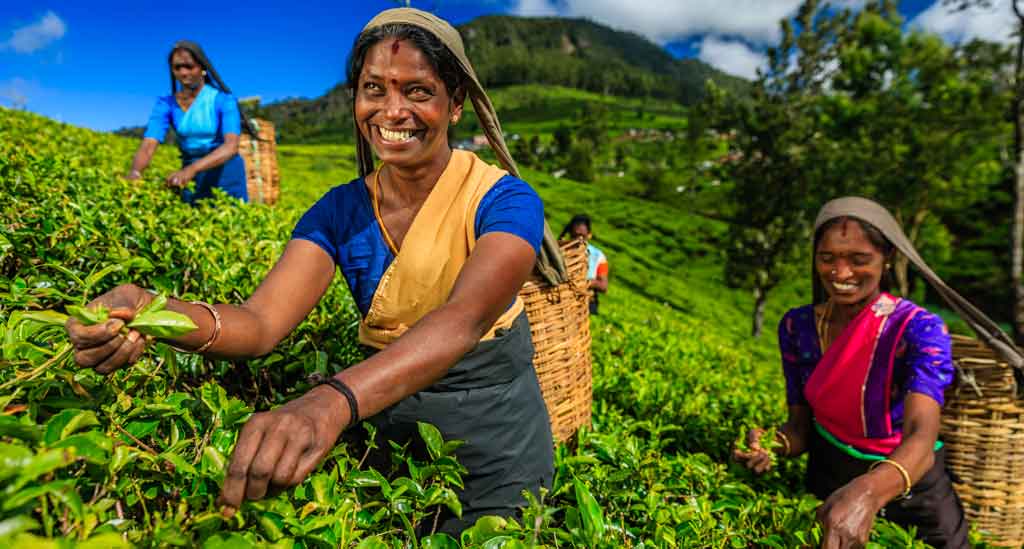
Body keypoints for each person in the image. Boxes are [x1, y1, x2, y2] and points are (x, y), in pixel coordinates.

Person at [66, 9, 562, 534]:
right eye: (374, 89)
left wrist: (330, 402)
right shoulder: (338, 212)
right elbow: (259, 323)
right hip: (388, 428)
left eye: (418, 92)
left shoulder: (504, 200)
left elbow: (463, 318)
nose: (392, 112)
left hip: (495, 445)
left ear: (455, 104)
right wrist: (154, 310)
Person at [731, 197, 1024, 549]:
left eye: (859, 260)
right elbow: (801, 427)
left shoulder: (918, 328)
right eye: (827, 259)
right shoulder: (798, 327)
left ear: (887, 259)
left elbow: (921, 435)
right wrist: (771, 445)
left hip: (911, 493)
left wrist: (867, 494)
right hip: (829, 485)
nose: (840, 274)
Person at [126, 40, 250, 204]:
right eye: (177, 68)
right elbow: (149, 144)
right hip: (191, 176)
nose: (183, 73)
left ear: (202, 68)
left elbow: (231, 147)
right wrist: (135, 172)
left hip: (224, 174)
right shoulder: (166, 104)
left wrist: (191, 170)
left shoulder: (223, 100)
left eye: (189, 66)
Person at [560, 214, 608, 314]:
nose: (579, 240)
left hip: (587, 302)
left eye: (582, 236)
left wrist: (583, 282)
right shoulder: (561, 252)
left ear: (589, 235)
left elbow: (603, 286)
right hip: (564, 300)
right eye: (575, 236)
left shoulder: (598, 256)